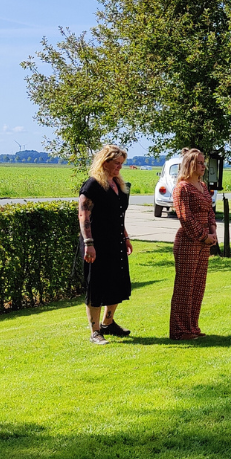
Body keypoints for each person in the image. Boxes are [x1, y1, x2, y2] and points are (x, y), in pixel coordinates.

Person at [77, 144, 134, 345]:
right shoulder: (92, 185)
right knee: (97, 285)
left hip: (115, 241)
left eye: (121, 163)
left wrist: (125, 236)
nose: (120, 167)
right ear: (105, 162)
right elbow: (84, 216)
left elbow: (119, 215)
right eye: (116, 163)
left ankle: (108, 323)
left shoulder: (118, 184)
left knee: (117, 282)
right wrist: (89, 243)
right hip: (96, 242)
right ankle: (95, 331)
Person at [170, 148, 218, 341]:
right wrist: (203, 235)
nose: (203, 166)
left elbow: (210, 210)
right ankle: (179, 331)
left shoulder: (202, 186)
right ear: (189, 165)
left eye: (203, 162)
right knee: (185, 287)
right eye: (199, 163)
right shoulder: (182, 188)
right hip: (188, 242)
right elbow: (185, 217)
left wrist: (213, 231)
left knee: (198, 286)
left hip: (205, 242)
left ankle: (192, 327)